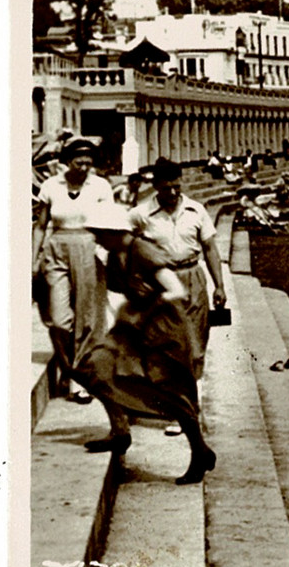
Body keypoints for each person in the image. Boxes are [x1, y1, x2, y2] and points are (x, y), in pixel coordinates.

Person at [73, 200, 215, 482]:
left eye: (99, 233)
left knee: (174, 392)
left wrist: (144, 311)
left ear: (113, 231)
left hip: (165, 329)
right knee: (94, 366)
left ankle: (200, 452)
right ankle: (120, 431)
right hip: (135, 326)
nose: (97, 239)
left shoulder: (143, 249)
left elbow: (177, 290)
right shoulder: (115, 254)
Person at [128, 159, 227, 394]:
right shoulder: (140, 214)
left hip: (192, 276)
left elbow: (210, 248)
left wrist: (219, 286)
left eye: (176, 187)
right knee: (167, 343)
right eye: (166, 188)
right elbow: (124, 245)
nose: (172, 193)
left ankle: (191, 396)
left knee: (196, 340)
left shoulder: (196, 210)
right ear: (156, 186)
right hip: (160, 282)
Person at [33, 137, 116, 402]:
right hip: (57, 248)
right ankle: (68, 366)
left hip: (89, 248)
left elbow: (109, 223)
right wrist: (34, 259)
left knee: (87, 318)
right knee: (59, 320)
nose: (84, 168)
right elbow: (40, 225)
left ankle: (79, 379)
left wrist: (106, 254)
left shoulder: (100, 186)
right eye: (79, 162)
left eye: (88, 164)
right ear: (67, 162)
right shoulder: (50, 185)